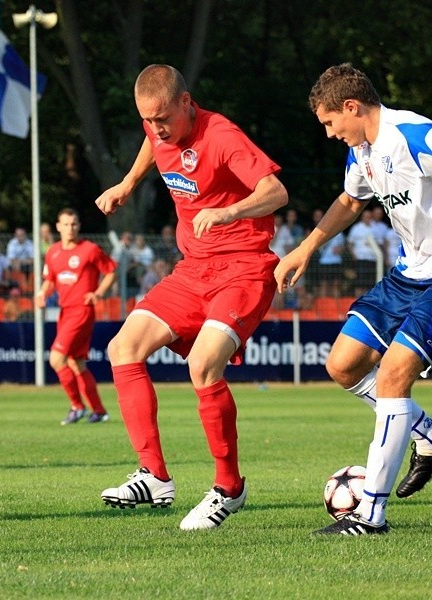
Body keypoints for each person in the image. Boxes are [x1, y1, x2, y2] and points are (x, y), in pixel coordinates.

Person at [275, 63, 432, 536]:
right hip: (407, 274)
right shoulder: (363, 151)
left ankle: (369, 513)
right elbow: (352, 201)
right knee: (343, 365)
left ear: (351, 107)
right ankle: (431, 437)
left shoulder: (413, 134)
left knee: (393, 377)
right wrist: (305, 249)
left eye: (331, 123)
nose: (331, 134)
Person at [95, 64, 288, 530]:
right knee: (123, 348)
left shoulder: (221, 135)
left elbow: (276, 192)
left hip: (242, 268)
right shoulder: (157, 126)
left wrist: (229, 212)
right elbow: (151, 143)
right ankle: (154, 476)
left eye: (162, 117)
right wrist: (127, 183)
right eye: (148, 119)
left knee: (201, 365)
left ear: (187, 102)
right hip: (193, 270)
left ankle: (229, 488)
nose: (156, 127)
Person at [36, 208, 117, 425]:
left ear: (78, 226)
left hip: (81, 310)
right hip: (64, 311)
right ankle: (99, 411)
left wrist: (98, 292)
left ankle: (77, 407)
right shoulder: (52, 252)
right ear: (58, 226)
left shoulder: (89, 249)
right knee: (76, 363)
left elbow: (110, 271)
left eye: (74, 224)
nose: (70, 228)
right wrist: (42, 294)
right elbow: (51, 280)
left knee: (56, 358)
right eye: (66, 224)